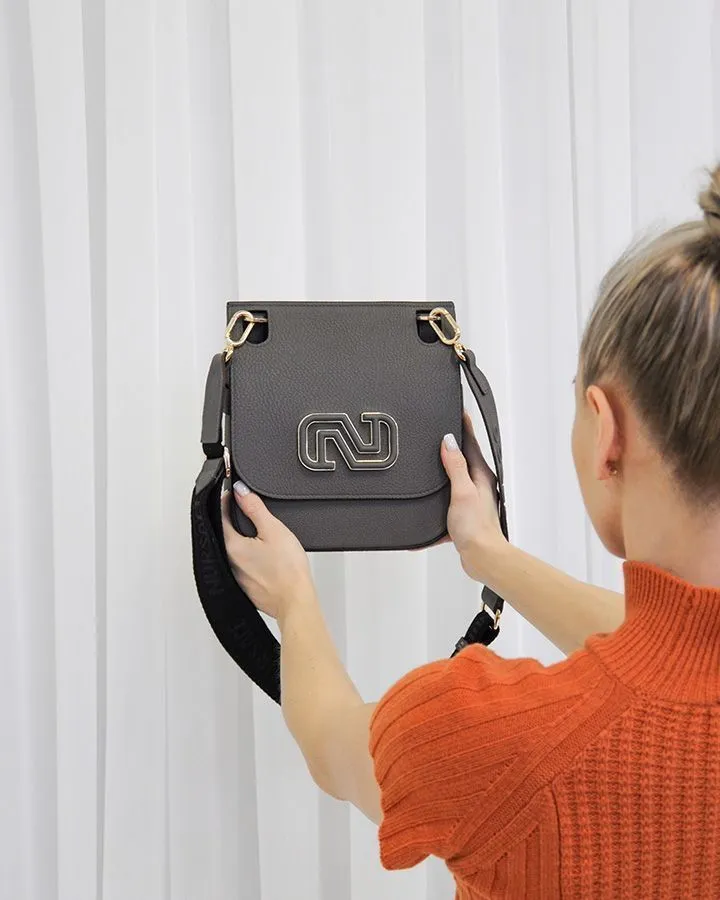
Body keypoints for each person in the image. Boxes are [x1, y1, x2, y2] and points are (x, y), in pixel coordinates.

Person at [221, 167, 720, 899]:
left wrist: (294, 600)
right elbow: (671, 652)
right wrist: (489, 553)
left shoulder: (495, 739)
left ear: (606, 431)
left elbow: (332, 743)